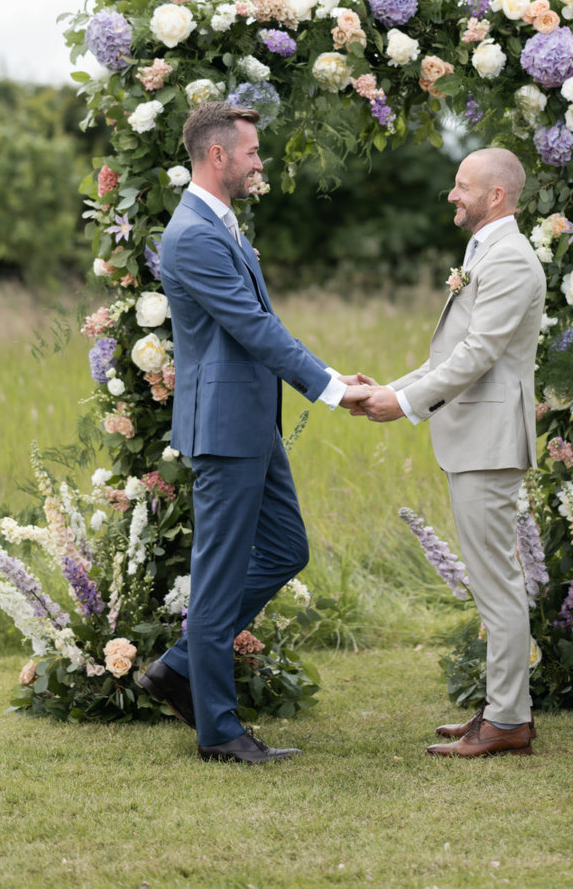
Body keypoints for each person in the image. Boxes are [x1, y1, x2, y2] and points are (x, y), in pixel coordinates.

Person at [139, 102, 369, 763]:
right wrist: (332, 390)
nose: (259, 162)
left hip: (249, 422)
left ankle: (180, 666)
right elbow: (255, 328)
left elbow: (258, 326)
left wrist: (329, 374)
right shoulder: (194, 234)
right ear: (218, 156)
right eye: (252, 153)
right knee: (216, 583)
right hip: (226, 428)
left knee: (286, 549)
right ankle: (218, 730)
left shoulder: (220, 226)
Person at [354, 147, 546, 757]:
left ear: (496, 196)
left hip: (489, 443)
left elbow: (477, 355)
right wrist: (390, 389)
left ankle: (510, 721)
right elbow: (448, 358)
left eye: (462, 187)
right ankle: (500, 709)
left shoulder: (511, 259)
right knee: (495, 581)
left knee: (497, 585)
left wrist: (407, 406)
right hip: (474, 438)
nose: (451, 195)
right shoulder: (485, 251)